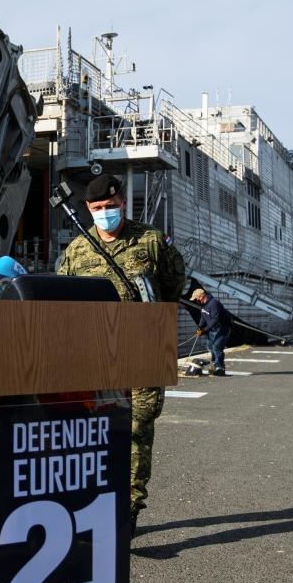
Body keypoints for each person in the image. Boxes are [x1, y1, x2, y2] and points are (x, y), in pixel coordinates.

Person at [56, 173, 186, 530]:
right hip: (94, 353)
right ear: (87, 209)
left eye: (111, 207)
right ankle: (89, 505)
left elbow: (174, 285)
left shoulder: (150, 241)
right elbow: (61, 297)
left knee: (137, 428)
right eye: (98, 208)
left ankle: (129, 507)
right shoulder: (77, 250)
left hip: (142, 348)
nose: (105, 213)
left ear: (123, 203)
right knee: (90, 430)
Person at [190, 286, 230, 375]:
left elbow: (215, 319)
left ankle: (219, 368)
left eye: (196, 299)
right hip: (212, 329)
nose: (196, 301)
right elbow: (203, 317)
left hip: (222, 328)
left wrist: (205, 330)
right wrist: (200, 327)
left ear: (201, 296)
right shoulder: (203, 306)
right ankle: (215, 365)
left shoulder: (214, 303)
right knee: (210, 346)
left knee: (217, 347)